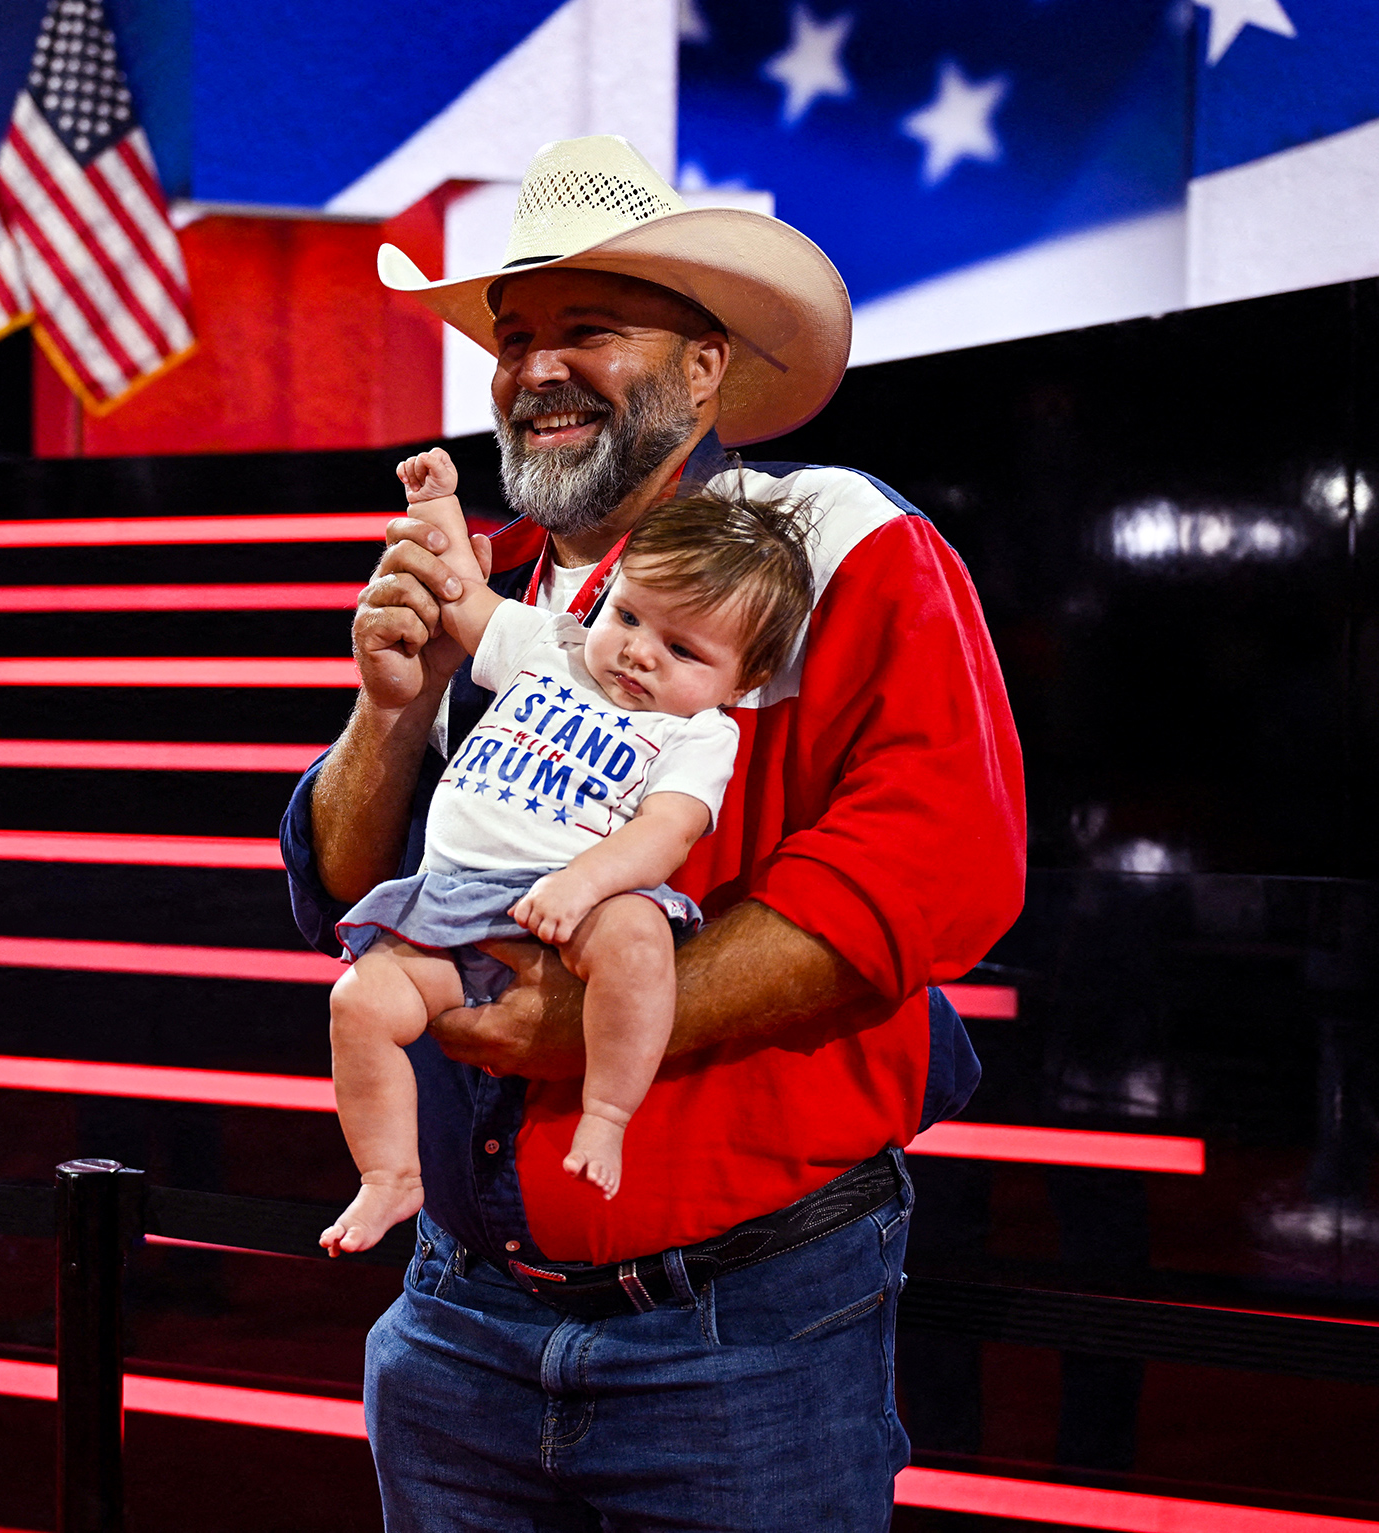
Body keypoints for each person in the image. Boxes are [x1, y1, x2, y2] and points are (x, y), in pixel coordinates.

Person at [281, 135, 1026, 1530]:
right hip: (453, 1317)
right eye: (517, 338)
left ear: (705, 367)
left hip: (740, 1330)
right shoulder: (480, 585)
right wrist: (390, 713)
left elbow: (941, 856)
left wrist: (611, 1019)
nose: (537, 370)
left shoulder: (833, 541)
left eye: (591, 331)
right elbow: (339, 896)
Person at [319, 447, 814, 1255]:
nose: (639, 652)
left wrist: (586, 884)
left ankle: (608, 1113)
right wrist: (439, 503)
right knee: (358, 1003)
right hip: (453, 905)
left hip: (581, 901)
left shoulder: (696, 732)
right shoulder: (552, 645)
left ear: (741, 680)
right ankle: (389, 1176)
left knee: (640, 939)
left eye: (684, 651)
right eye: (627, 615)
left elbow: (667, 832)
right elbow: (463, 597)